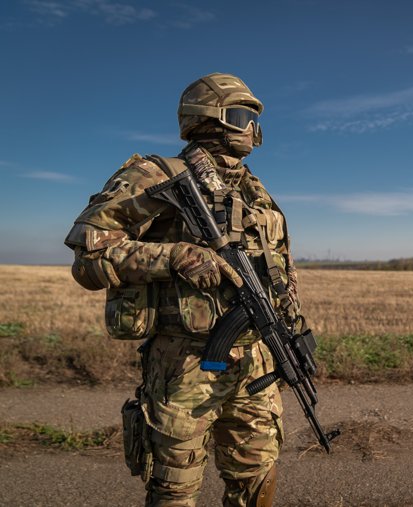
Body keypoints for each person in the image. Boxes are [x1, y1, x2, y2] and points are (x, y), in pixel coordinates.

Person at [64, 73, 301, 507]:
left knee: (257, 482)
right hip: (183, 365)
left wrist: (290, 330)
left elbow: (280, 270)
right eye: (241, 115)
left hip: (256, 363)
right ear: (206, 117)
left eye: (254, 119)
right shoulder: (156, 175)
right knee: (174, 488)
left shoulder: (257, 192)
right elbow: (88, 257)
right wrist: (174, 257)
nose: (252, 128)